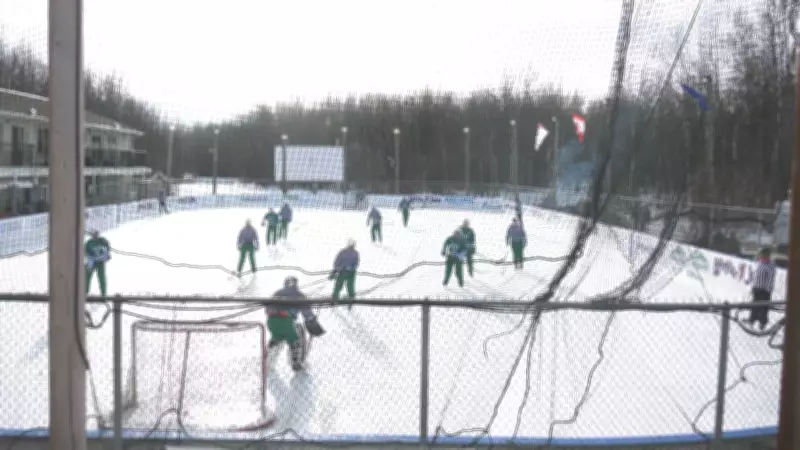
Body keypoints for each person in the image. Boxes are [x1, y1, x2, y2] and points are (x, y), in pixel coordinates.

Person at [268, 276, 326, 371]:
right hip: (290, 321)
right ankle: (296, 360)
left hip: (276, 321)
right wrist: (311, 320)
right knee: (297, 336)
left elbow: (269, 308)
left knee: (276, 337)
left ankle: (270, 358)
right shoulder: (299, 295)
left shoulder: (277, 293)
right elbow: (306, 311)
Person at [749, 247, 776, 330]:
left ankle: (762, 322)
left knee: (764, 307)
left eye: (765, 254)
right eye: (761, 254)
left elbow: (770, 278)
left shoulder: (770, 265)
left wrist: (768, 289)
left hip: (764, 290)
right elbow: (754, 276)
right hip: (756, 288)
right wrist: (752, 287)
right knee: (754, 305)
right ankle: (752, 320)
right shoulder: (758, 263)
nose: (762, 255)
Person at [331, 239, 360, 308]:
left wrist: (352, 268)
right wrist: (335, 270)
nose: (351, 247)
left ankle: (351, 300)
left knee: (350, 287)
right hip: (341, 272)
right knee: (338, 286)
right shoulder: (342, 252)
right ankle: (334, 299)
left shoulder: (356, 253)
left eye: (352, 246)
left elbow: (356, 263)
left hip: (351, 274)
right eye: (350, 246)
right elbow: (337, 261)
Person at [85, 230, 111, 297]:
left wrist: (106, 254)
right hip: (91, 262)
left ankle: (103, 294)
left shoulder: (102, 241)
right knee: (86, 277)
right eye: (94, 234)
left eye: (96, 234)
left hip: (100, 262)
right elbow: (85, 251)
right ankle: (85, 293)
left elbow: (107, 248)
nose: (95, 235)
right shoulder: (89, 242)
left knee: (102, 278)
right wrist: (89, 254)